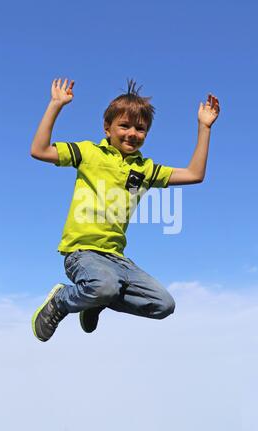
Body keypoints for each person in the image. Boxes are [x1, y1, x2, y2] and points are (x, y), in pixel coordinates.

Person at [30, 78, 220, 342]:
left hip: (118, 261)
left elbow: (194, 174)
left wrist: (204, 127)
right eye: (124, 126)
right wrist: (55, 105)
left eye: (140, 129)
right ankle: (62, 300)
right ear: (107, 128)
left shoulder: (145, 169)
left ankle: (95, 300)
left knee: (163, 304)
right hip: (82, 254)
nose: (133, 133)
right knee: (103, 286)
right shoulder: (89, 153)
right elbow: (39, 150)